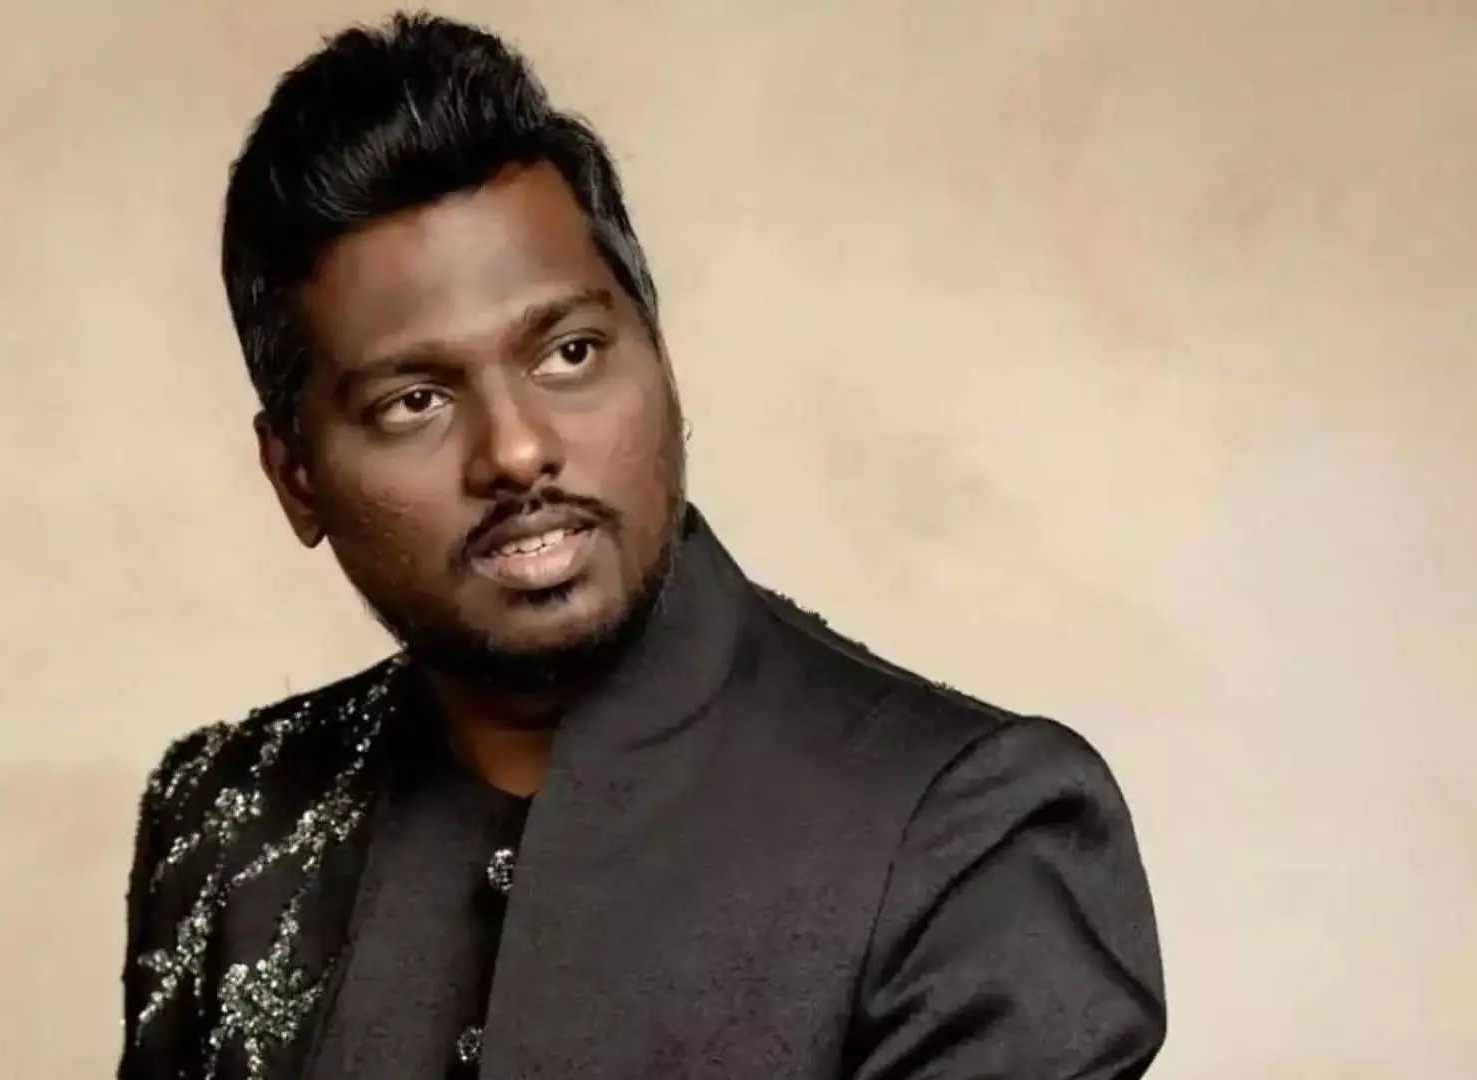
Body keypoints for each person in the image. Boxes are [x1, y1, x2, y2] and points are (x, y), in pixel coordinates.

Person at [117, 12, 1166, 1080]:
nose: (516, 450)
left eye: (570, 352)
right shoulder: (226, 818)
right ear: (296, 479)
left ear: (660, 359)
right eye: (414, 400)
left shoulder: (965, 831)